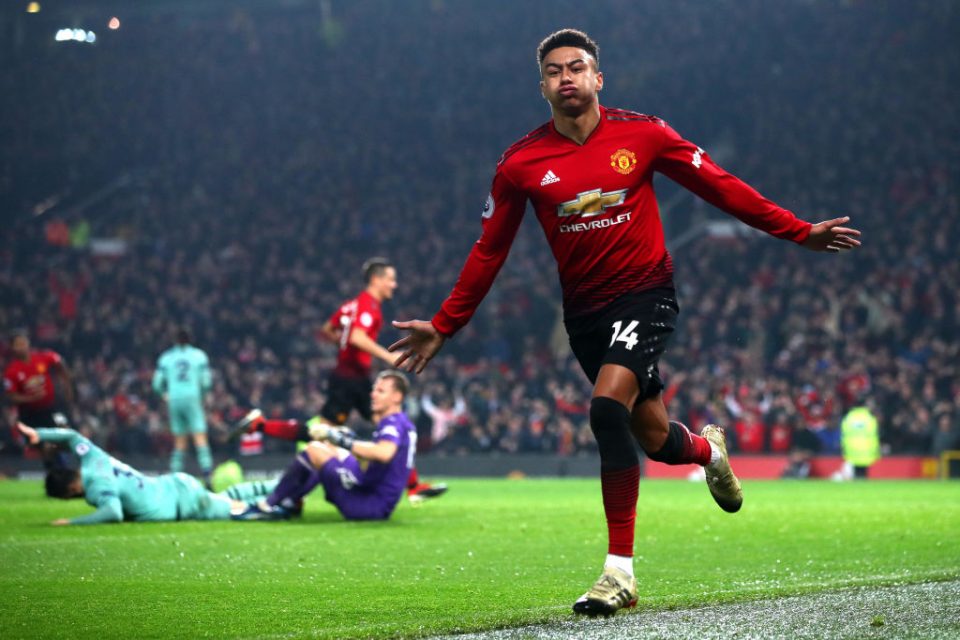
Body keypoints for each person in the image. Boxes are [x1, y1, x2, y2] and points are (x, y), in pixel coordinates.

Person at [389, 28, 861, 616]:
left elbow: (720, 186)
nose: (567, 78)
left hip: (645, 295)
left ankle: (620, 575)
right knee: (656, 440)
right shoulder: (520, 164)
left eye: (577, 67)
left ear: (597, 78)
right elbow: (489, 250)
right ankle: (708, 453)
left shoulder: (645, 134)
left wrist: (797, 230)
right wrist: (445, 323)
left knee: (605, 408)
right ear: (542, 86)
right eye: (555, 71)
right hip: (585, 314)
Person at [234, 257, 446, 503]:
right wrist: (389, 357)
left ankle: (413, 486)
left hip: (353, 378)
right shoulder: (368, 305)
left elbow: (327, 329)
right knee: (319, 432)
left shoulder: (352, 305)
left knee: (389, 422)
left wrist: (343, 344)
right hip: (348, 381)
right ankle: (262, 427)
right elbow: (356, 337)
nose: (394, 285)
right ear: (376, 280)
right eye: (390, 279)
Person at [233, 370, 417, 522]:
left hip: (368, 504)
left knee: (314, 450)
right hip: (374, 494)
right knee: (327, 447)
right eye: (374, 389)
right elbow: (381, 463)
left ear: (397, 397)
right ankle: (289, 502)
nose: (373, 394)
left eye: (380, 391)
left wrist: (343, 440)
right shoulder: (403, 423)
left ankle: (268, 505)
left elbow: (384, 454)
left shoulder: (392, 424)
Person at [15, 422, 275, 525]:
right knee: (228, 497)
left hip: (182, 503)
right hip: (177, 485)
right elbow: (72, 436)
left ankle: (285, 498)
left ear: (70, 491)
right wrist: (40, 435)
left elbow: (113, 513)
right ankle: (281, 485)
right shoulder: (93, 459)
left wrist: (72, 522)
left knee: (243, 510)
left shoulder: (96, 488)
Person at [3, 330, 75, 470]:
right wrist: (30, 398)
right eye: (18, 344)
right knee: (43, 446)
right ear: (12, 348)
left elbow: (59, 362)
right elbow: (11, 396)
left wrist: (67, 387)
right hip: (29, 415)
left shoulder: (42, 358)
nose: (22, 346)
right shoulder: (11, 371)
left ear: (28, 343)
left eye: (23, 342)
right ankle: (55, 470)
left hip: (51, 408)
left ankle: (63, 467)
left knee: (64, 432)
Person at [152, 327, 214, 484]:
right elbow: (206, 381)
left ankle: (175, 479)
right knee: (200, 438)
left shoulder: (166, 357)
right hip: (192, 397)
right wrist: (202, 396)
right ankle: (208, 477)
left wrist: (164, 395)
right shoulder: (199, 356)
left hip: (174, 399)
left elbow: (156, 383)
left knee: (179, 440)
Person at [837, 400, 881, 480]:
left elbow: (843, 434)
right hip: (866, 451)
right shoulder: (870, 418)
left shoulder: (848, 418)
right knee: (863, 473)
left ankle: (856, 488)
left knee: (855, 473)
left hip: (852, 451)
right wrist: (876, 450)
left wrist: (844, 448)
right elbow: (874, 435)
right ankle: (864, 488)